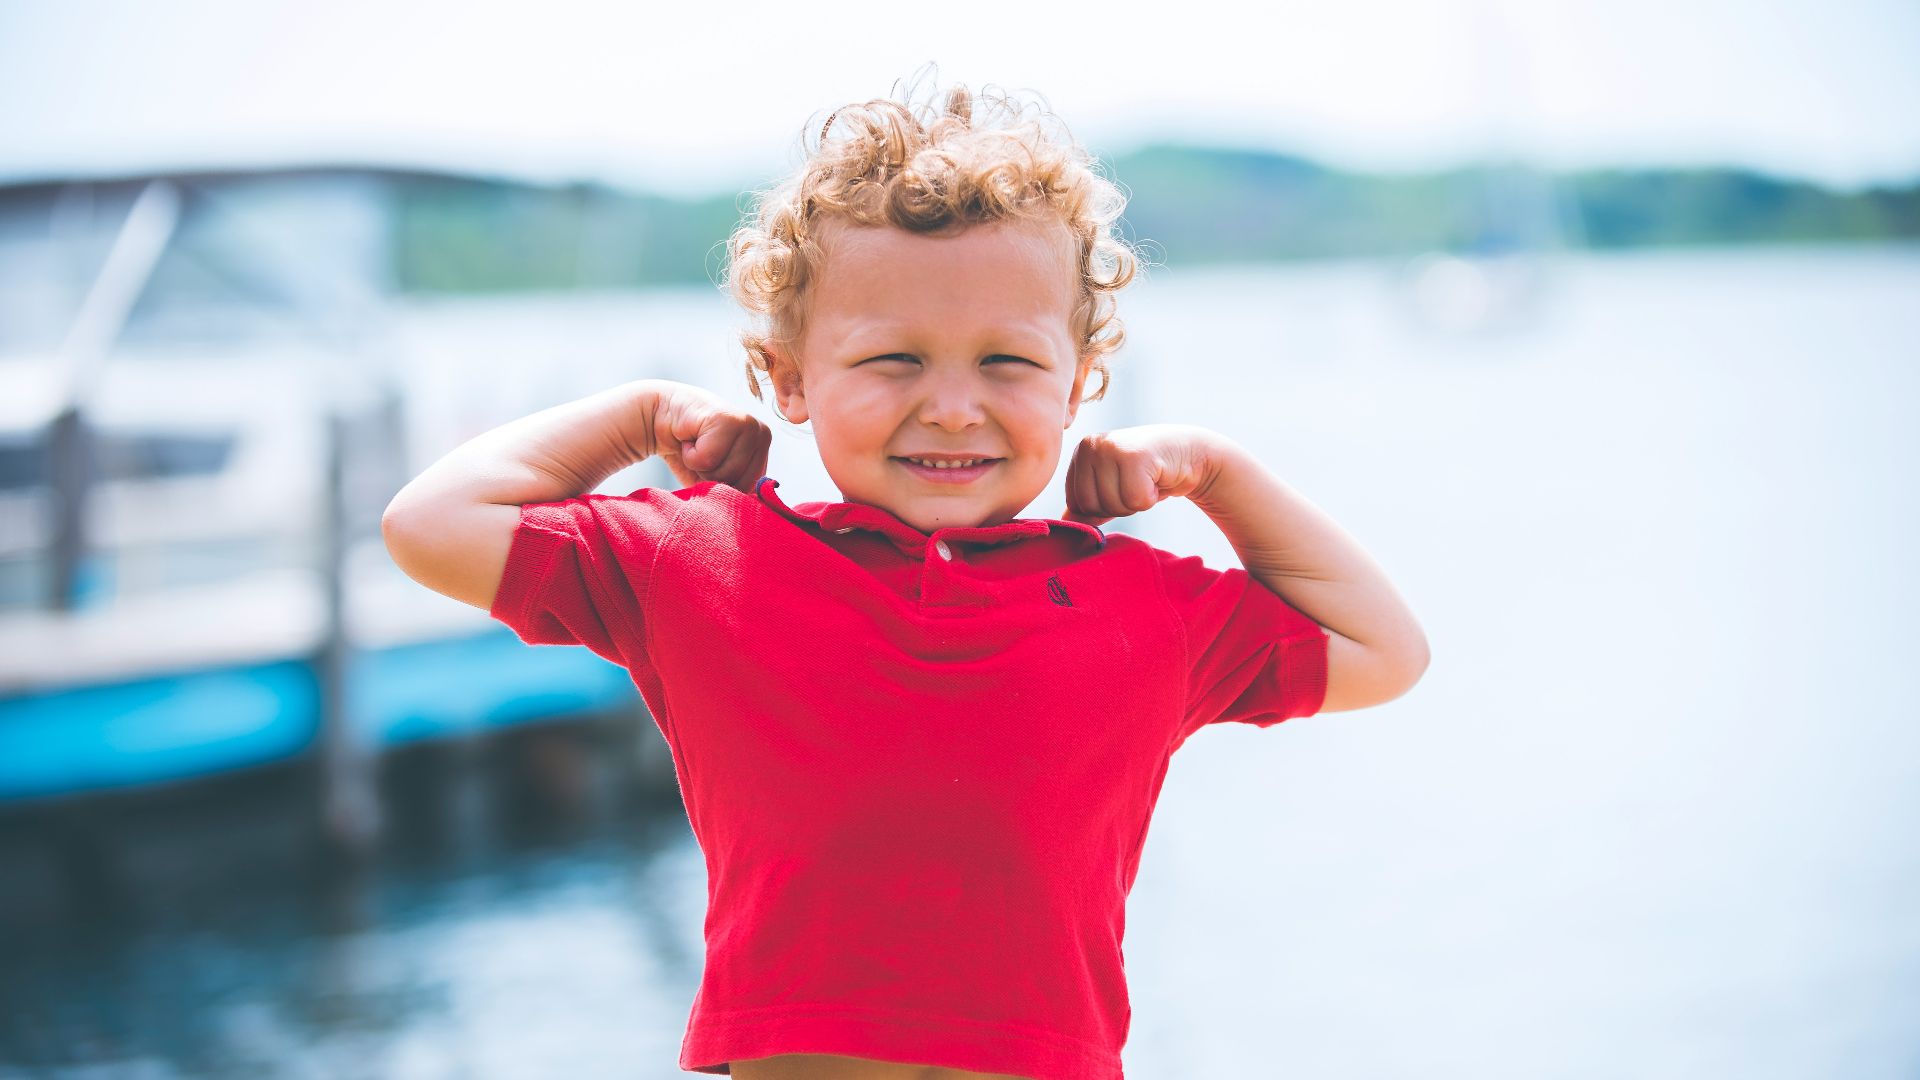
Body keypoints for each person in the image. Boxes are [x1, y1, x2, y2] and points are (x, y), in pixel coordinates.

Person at [382, 76, 1429, 1080]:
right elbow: (430, 524)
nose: (954, 407)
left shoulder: (1142, 602)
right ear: (790, 379)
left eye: (1009, 364)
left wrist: (1218, 471)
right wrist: (639, 414)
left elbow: (1387, 652)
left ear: (1080, 385)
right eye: (894, 360)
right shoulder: (705, 559)